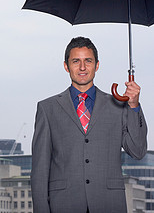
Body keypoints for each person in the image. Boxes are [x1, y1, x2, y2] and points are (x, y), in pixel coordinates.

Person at [31, 37, 147, 213]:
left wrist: (133, 105)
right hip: (63, 205)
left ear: (97, 65)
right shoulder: (48, 109)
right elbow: (39, 171)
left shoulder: (118, 106)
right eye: (76, 61)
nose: (83, 67)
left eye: (88, 61)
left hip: (109, 204)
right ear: (66, 66)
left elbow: (138, 151)